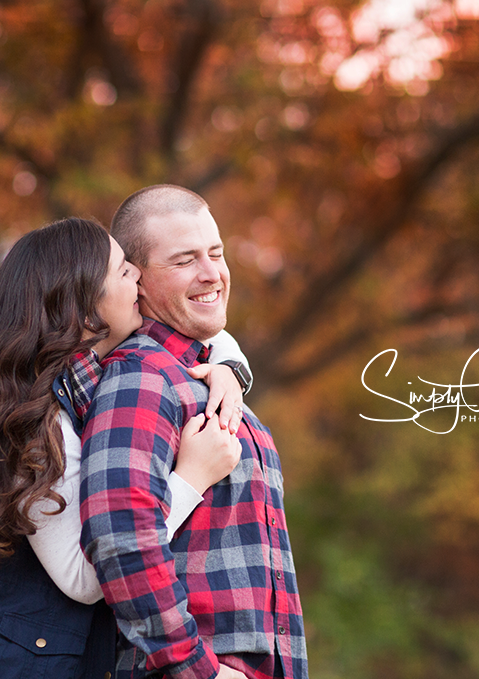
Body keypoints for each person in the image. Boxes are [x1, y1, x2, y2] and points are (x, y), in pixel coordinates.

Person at [0, 217, 249, 679]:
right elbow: (84, 579)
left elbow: (208, 329)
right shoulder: (34, 419)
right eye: (125, 272)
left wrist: (227, 369)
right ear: (84, 309)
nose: (141, 279)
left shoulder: (87, 382)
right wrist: (191, 478)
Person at [77, 186, 307, 679]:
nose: (212, 273)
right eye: (185, 260)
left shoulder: (200, 373)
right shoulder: (141, 378)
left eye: (216, 253)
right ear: (135, 280)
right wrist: (197, 669)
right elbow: (119, 535)